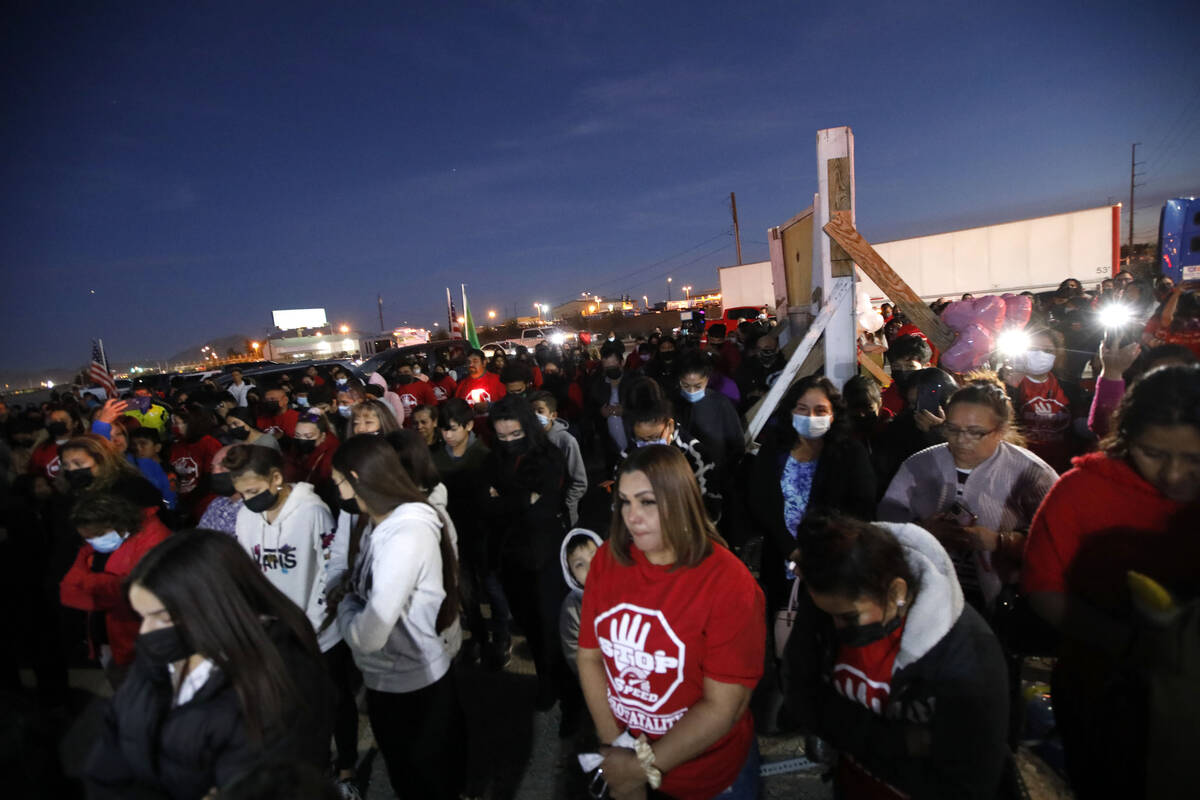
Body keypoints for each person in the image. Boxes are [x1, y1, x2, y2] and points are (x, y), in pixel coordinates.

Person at [1023, 364, 1200, 799]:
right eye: (1154, 454)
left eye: (1194, 459)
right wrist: (1131, 646)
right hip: (1105, 695)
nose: (1174, 474)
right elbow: (1044, 590)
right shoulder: (1081, 490)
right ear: (1126, 438)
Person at [82, 531, 333, 799]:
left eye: (162, 618)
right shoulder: (160, 654)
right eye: (141, 617)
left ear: (212, 607)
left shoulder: (281, 686)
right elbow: (112, 746)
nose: (146, 632)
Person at [578, 445, 766, 799]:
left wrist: (639, 768)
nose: (633, 516)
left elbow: (723, 706)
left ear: (680, 500)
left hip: (708, 779)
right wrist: (616, 748)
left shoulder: (729, 582)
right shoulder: (607, 560)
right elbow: (590, 657)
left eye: (647, 502)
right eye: (625, 501)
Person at [781, 515, 1011, 799]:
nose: (835, 627)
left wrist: (846, 728)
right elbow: (800, 696)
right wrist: (903, 741)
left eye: (849, 617)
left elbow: (970, 781)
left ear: (896, 592)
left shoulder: (969, 654)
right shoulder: (833, 595)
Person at [329, 436, 463, 799]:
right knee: (409, 776)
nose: (337, 492)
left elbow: (369, 633)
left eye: (338, 482)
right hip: (388, 679)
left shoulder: (406, 533)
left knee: (425, 781)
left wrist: (344, 608)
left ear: (355, 478)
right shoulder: (380, 523)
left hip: (413, 682)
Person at [879, 374, 1058, 614]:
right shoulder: (919, 466)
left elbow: (1057, 540)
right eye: (952, 430)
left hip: (1006, 604)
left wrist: (1000, 542)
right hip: (928, 598)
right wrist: (923, 531)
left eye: (975, 432)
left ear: (1000, 430)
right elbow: (883, 530)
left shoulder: (1030, 474)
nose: (961, 440)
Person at [749, 376, 877, 613]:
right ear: (790, 411)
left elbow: (861, 508)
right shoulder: (775, 448)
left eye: (820, 410)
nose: (811, 418)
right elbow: (761, 500)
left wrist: (819, 553)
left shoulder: (850, 453)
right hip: (781, 557)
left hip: (834, 564)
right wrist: (791, 550)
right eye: (802, 409)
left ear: (833, 414)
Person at [483, 395, 568, 706]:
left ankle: (563, 688)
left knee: (550, 628)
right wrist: (520, 499)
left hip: (543, 557)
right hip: (510, 557)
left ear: (528, 429)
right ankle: (546, 679)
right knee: (528, 625)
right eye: (502, 436)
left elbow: (543, 509)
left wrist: (503, 498)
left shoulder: (549, 456)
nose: (508, 442)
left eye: (515, 435)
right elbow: (485, 504)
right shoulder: (494, 458)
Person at [226, 444, 341, 652]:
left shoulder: (312, 511)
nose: (247, 500)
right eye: (242, 494)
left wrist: (310, 625)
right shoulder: (245, 516)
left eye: (253, 491)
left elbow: (331, 570)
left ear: (276, 478)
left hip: (319, 637)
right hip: (275, 635)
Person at [59, 492, 170, 684]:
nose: (93, 541)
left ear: (119, 522)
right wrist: (107, 586)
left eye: (98, 535)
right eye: (87, 538)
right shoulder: (94, 545)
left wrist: (87, 582)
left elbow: (136, 590)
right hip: (109, 640)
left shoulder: (154, 537)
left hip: (142, 645)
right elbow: (68, 591)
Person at [431, 399, 501, 666]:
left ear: (469, 426)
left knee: (493, 588)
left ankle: (501, 637)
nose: (447, 435)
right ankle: (480, 638)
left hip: (482, 534)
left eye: (452, 429)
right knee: (465, 591)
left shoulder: (484, 456)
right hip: (453, 535)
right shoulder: (436, 458)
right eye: (444, 430)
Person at [1003, 327, 1082, 473]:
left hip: (1061, 467)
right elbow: (1001, 422)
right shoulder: (1004, 385)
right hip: (1020, 467)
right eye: (1033, 349)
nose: (1040, 354)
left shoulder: (1070, 389)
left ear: (1056, 355)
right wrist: (1011, 388)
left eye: (1047, 351)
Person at [673, 352, 745, 473]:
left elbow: (737, 444)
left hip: (715, 474)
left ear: (707, 379)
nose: (691, 391)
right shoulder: (672, 403)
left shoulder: (721, 404)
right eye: (685, 385)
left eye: (697, 386)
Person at [529, 390, 587, 525]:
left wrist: (567, 503)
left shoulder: (566, 441)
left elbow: (579, 481)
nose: (535, 415)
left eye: (540, 411)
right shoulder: (529, 440)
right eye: (532, 412)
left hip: (563, 512)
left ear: (553, 415)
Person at [169, 404, 224, 523]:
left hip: (205, 505)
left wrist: (188, 503)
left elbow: (209, 480)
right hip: (183, 502)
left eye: (177, 423)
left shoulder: (209, 444)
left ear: (191, 423)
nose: (174, 427)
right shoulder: (177, 445)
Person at [558, 528, 601, 677]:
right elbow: (575, 656)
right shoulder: (572, 608)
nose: (590, 567)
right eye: (579, 565)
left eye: (594, 555)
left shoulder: (627, 589)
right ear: (571, 575)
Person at [588, 341, 632, 470]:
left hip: (634, 444)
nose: (610, 371)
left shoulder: (635, 382)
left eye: (613, 366)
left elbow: (646, 408)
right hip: (610, 448)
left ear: (622, 363)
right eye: (607, 368)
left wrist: (626, 411)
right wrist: (600, 413)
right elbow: (589, 412)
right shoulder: (597, 385)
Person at [197, 445, 243, 535]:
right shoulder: (217, 503)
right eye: (212, 467)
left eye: (223, 466)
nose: (215, 472)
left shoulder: (257, 508)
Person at [455, 348, 506, 413]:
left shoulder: (498, 380)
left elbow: (507, 404)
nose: (471, 364)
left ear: (484, 363)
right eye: (468, 362)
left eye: (475, 361)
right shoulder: (462, 384)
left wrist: (490, 406)